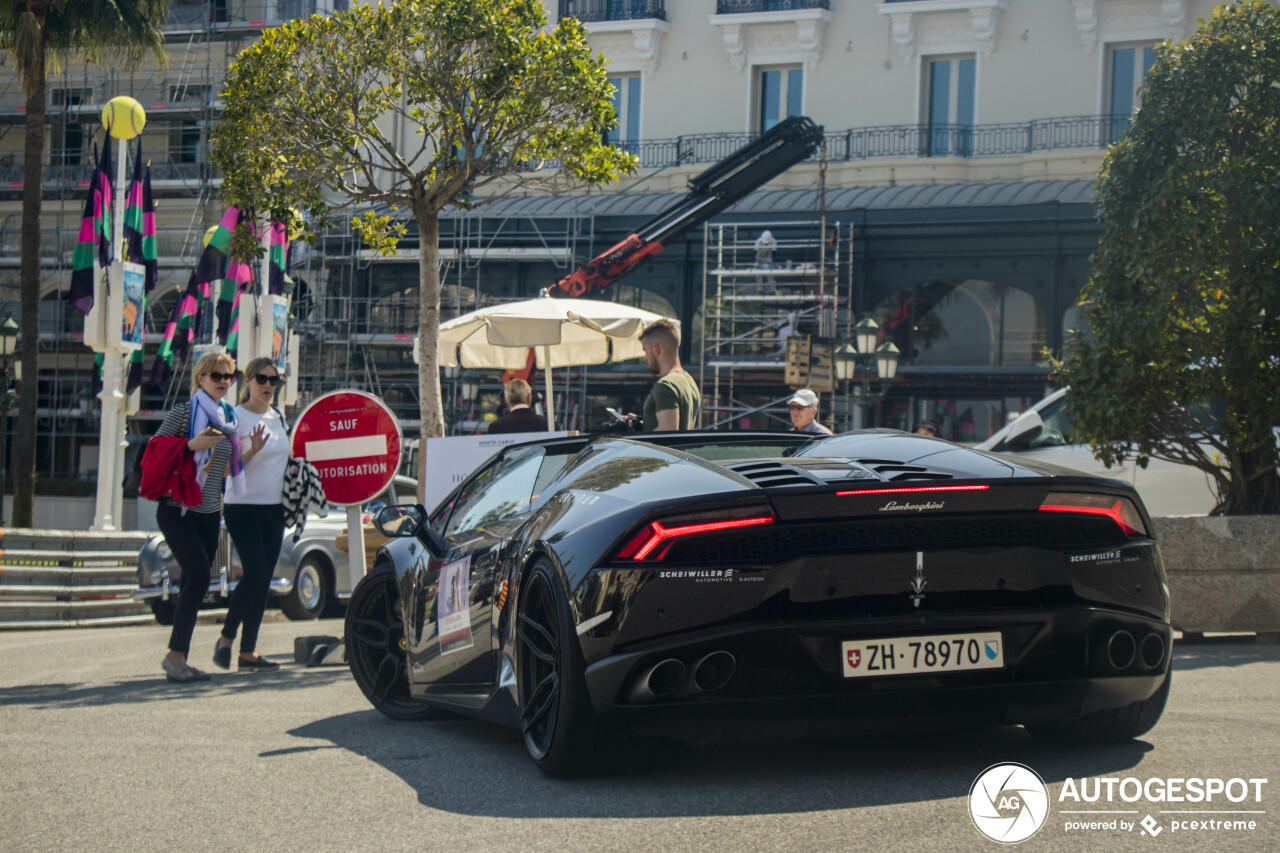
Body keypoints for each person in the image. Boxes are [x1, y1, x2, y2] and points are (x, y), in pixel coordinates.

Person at [154, 351, 244, 683]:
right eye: (216, 376)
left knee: (195, 581)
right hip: (178, 509)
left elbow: (227, 466)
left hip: (208, 514)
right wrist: (191, 445)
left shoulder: (228, 418)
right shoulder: (183, 412)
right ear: (200, 378)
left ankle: (178, 658)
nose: (223, 382)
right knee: (198, 578)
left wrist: (253, 452)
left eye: (228, 377)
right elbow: (155, 450)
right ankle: (175, 658)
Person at [214, 357, 288, 672]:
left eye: (274, 381)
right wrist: (252, 450)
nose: (268, 385)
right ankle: (226, 639)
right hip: (242, 506)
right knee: (255, 573)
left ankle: (248, 652)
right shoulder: (234, 417)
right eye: (262, 379)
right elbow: (225, 471)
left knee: (263, 580)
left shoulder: (280, 417)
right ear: (247, 380)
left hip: (275, 508)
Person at [638, 320, 700, 431]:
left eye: (645, 350)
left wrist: (637, 438)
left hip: (660, 449)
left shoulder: (665, 385)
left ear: (656, 349)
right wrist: (643, 422)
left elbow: (668, 432)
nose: (645, 358)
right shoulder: (689, 382)